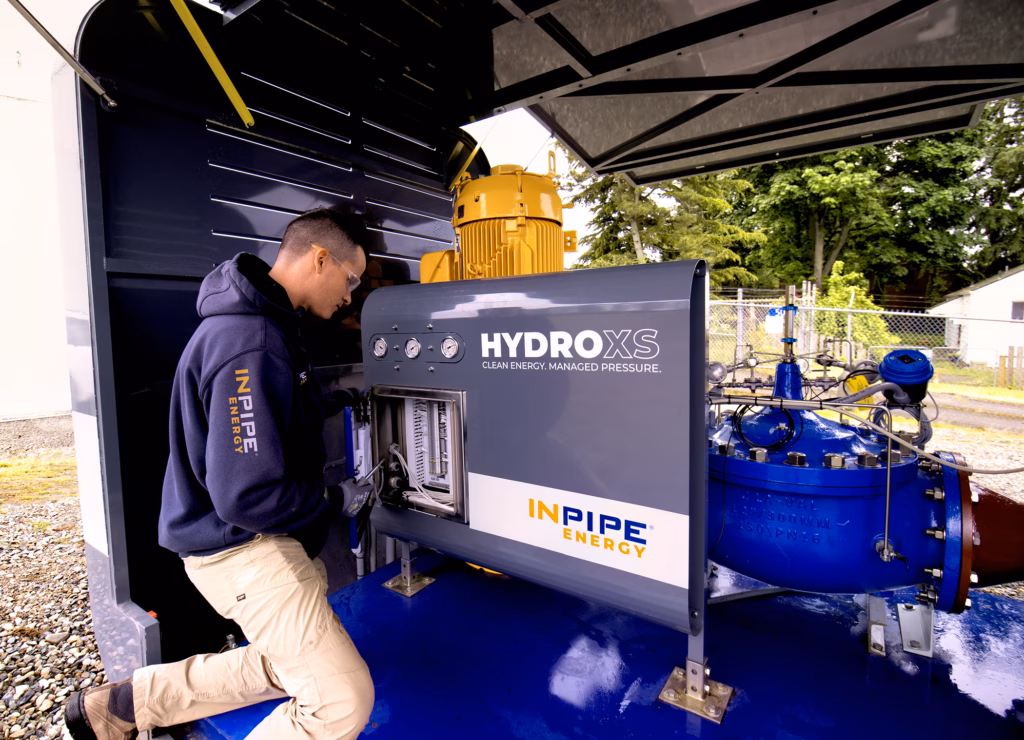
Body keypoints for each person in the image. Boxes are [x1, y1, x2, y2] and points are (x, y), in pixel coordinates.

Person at [63, 208, 375, 740]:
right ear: (320, 258)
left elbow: (269, 415)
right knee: (341, 700)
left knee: (290, 664)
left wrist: (336, 400)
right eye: (350, 279)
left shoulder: (267, 324)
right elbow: (247, 495)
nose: (350, 296)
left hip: (242, 541)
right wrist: (333, 498)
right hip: (242, 547)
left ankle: (123, 706)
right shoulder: (250, 342)